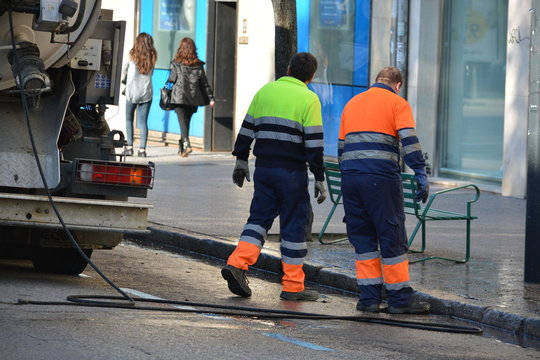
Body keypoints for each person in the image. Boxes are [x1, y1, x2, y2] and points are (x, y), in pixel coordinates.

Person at [221, 52, 327, 301]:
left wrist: (240, 160)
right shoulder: (309, 99)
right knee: (294, 225)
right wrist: (319, 177)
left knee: (258, 219)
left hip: (265, 170)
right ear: (311, 76)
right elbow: (314, 143)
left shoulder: (265, 92)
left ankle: (237, 263)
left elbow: (247, 128)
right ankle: (292, 287)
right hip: (291, 173)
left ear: (288, 68)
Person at [338, 66, 430, 314]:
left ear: (376, 80)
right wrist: (420, 171)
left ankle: (369, 299)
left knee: (363, 237)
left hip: (351, 179)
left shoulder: (352, 103)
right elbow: (409, 140)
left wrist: (349, 176)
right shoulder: (397, 103)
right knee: (390, 234)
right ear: (397, 85)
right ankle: (399, 299)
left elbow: (341, 147)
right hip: (380, 179)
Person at [168, 37, 214, 157]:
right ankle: (182, 149)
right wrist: (211, 97)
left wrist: (167, 89)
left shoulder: (176, 63)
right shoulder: (198, 65)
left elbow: (171, 79)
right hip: (193, 98)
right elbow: (204, 82)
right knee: (185, 122)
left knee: (183, 122)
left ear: (181, 48)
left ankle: (187, 144)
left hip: (179, 97)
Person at [122, 32, 156, 157]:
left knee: (129, 119)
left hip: (132, 92)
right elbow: (151, 74)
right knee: (143, 122)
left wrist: (124, 79)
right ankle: (142, 150)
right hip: (146, 93)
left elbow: (124, 70)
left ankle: (129, 147)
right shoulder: (152, 57)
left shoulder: (132, 56)